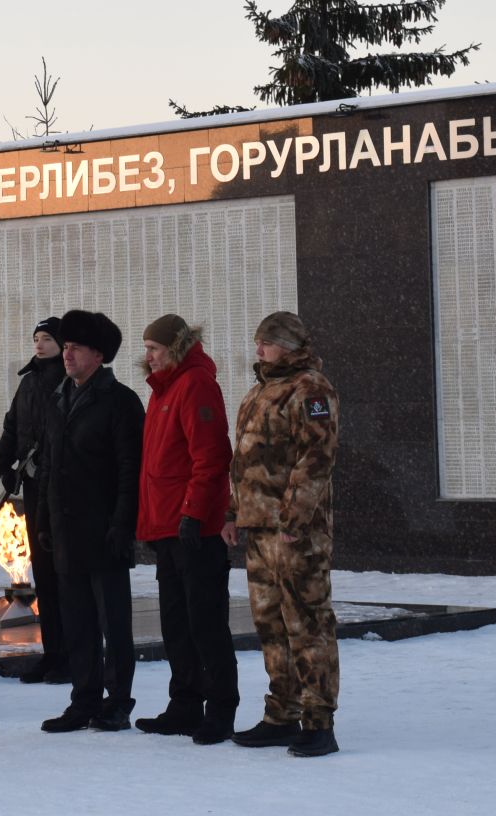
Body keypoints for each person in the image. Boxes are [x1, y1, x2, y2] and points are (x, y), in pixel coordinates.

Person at [223, 311, 341, 758]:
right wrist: (234, 513)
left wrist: (294, 518)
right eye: (258, 343)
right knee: (271, 626)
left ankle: (318, 721)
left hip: (295, 533)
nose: (259, 350)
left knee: (307, 624)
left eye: (266, 343)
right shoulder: (259, 392)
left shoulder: (311, 389)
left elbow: (316, 458)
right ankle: (281, 714)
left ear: (289, 346)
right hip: (258, 529)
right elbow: (245, 462)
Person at [39, 309, 144, 734]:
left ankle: (117, 701)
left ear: (98, 355)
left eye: (76, 348)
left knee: (112, 623)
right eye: (64, 347)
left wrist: (122, 525)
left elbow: (129, 470)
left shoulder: (120, 402)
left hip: (104, 530)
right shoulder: (57, 398)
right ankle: (83, 699)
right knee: (77, 623)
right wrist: (45, 520)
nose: (67, 354)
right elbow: (49, 465)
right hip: (66, 532)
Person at [135, 314, 236, 745]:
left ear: (174, 348)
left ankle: (220, 708)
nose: (148, 356)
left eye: (154, 348)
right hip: (166, 528)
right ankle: (185, 704)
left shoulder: (195, 384)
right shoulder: (163, 392)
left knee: (205, 623)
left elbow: (211, 456)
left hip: (194, 529)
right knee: (177, 624)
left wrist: (193, 514)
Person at [0, 316, 68, 685]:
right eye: (36, 338)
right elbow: (13, 425)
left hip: (63, 490)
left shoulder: (67, 382)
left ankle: (70, 656)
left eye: (47, 339)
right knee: (44, 576)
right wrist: (4, 462)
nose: (39, 344)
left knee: (63, 576)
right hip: (35, 487)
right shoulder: (28, 383)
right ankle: (52, 654)